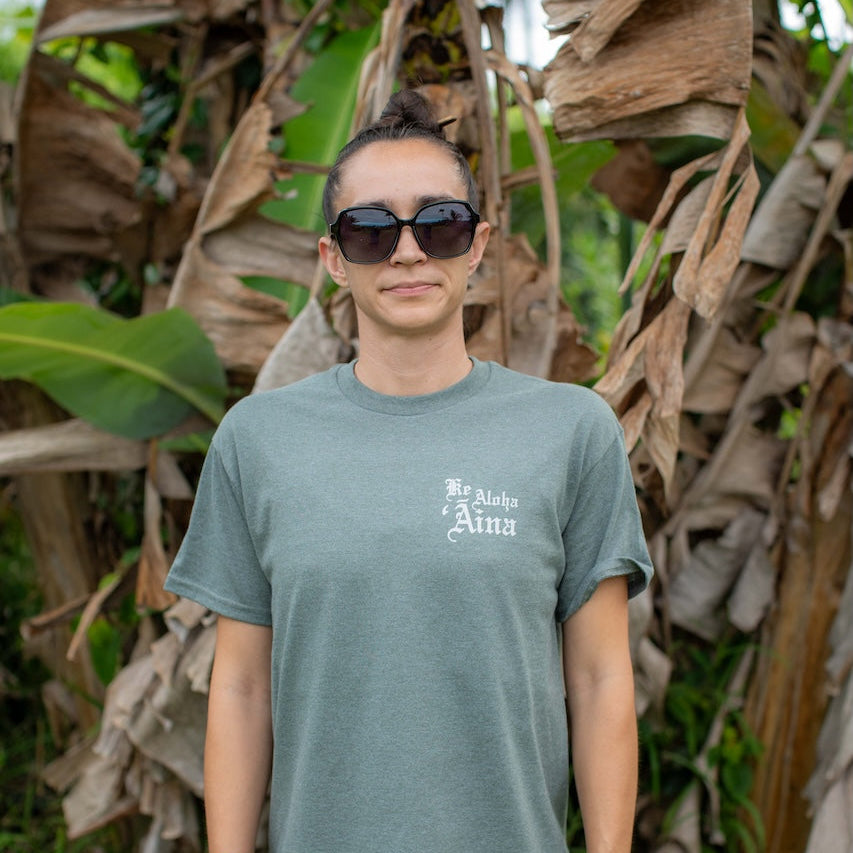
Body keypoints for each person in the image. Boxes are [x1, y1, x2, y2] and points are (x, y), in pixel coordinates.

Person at [164, 89, 653, 853]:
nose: (407, 252)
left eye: (439, 223)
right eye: (368, 231)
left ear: (478, 243)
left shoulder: (570, 431)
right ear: (332, 258)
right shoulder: (258, 438)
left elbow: (598, 681)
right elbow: (239, 687)